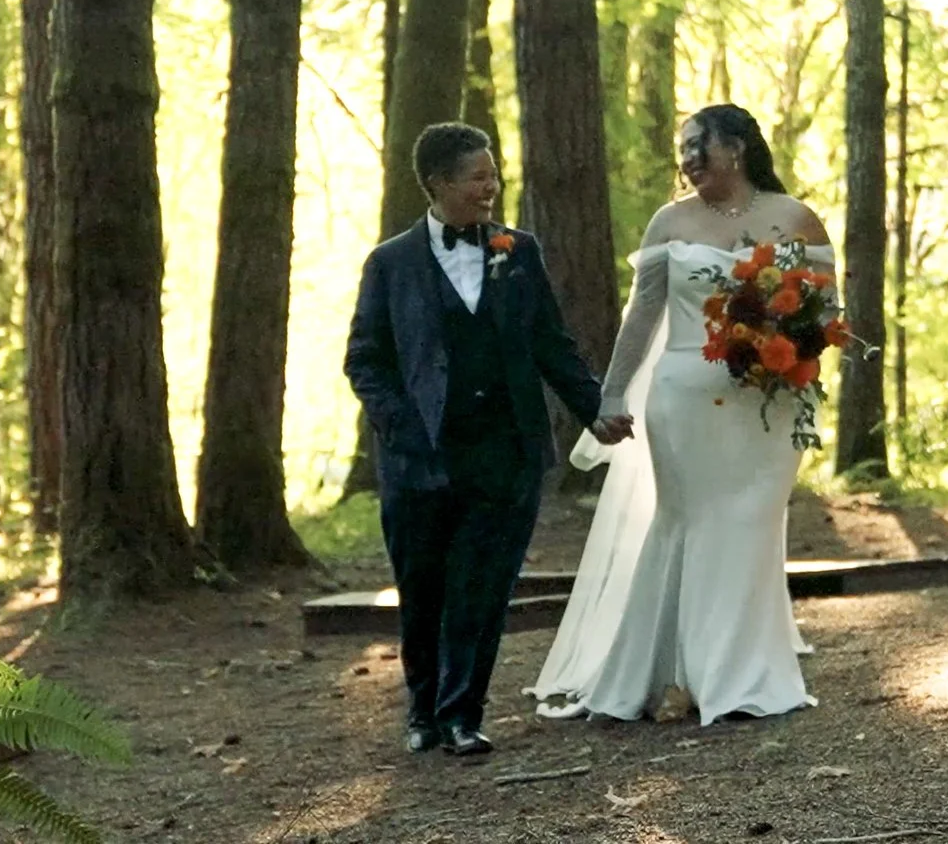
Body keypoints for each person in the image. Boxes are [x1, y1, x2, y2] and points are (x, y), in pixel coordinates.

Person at [529, 103, 831, 725]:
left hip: (769, 404)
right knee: (689, 522)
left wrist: (789, 352)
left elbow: (825, 316)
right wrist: (609, 397)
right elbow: (641, 316)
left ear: (737, 147)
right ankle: (675, 674)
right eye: (683, 149)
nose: (688, 158)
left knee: (749, 524)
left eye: (699, 145)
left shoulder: (795, 218)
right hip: (684, 396)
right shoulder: (669, 222)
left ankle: (737, 673)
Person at [344, 122, 633, 757]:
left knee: (484, 586)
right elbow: (365, 360)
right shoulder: (390, 263)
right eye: (478, 176)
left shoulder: (517, 250)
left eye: (494, 174)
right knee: (424, 589)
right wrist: (401, 426)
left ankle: (462, 715)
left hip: (506, 452)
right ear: (439, 183)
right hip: (420, 460)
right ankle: (422, 711)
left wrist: (595, 410)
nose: (491, 186)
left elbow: (551, 344)